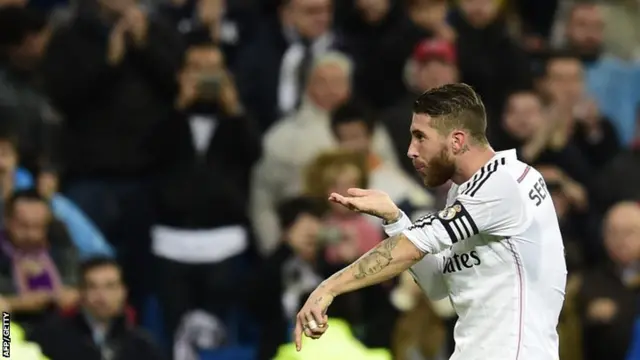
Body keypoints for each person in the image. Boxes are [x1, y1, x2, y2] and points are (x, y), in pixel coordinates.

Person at [294, 83, 567, 360]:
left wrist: (328, 288)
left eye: (420, 137)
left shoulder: (503, 185)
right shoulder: (464, 192)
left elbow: (411, 248)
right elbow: (437, 284)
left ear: (457, 141)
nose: (411, 150)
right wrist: (396, 219)